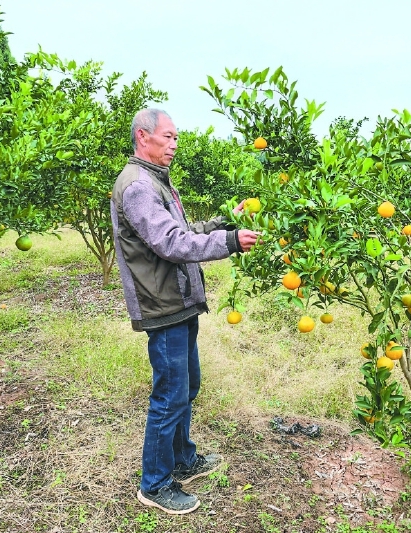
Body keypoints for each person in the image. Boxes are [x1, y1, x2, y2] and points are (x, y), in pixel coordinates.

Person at [111, 108, 258, 514]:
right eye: (169, 137)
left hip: (179, 301)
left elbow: (186, 231)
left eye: (176, 138)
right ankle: (154, 484)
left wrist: (226, 221)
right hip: (163, 305)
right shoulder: (139, 186)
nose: (175, 145)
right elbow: (172, 243)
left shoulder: (156, 181)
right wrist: (230, 242)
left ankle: (182, 459)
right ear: (144, 136)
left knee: (186, 386)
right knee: (170, 395)